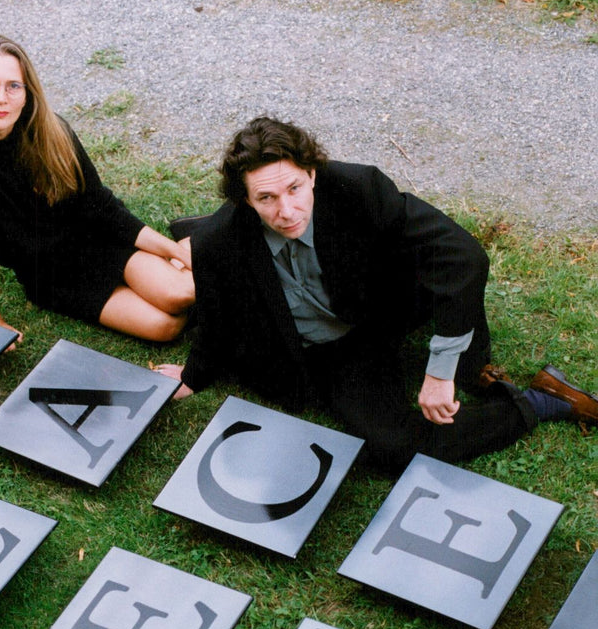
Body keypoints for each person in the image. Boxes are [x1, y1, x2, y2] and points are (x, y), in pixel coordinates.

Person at [158, 117, 597, 474]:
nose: (287, 211)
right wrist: (193, 377)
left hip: (385, 303)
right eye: (266, 198)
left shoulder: (358, 188)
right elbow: (214, 317)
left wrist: (441, 370)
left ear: (312, 173)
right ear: (245, 202)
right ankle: (538, 403)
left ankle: (468, 362)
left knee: (458, 348)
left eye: (294, 188)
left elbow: (462, 257)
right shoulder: (219, 242)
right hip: (334, 351)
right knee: (394, 450)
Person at [0, 34, 194, 345]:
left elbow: (102, 207)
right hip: (50, 278)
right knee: (165, 326)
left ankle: (196, 248)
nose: (2, 98)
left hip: (99, 241)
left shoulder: (52, 132)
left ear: (27, 94)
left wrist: (175, 252)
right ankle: (185, 251)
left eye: (14, 86)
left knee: (180, 294)